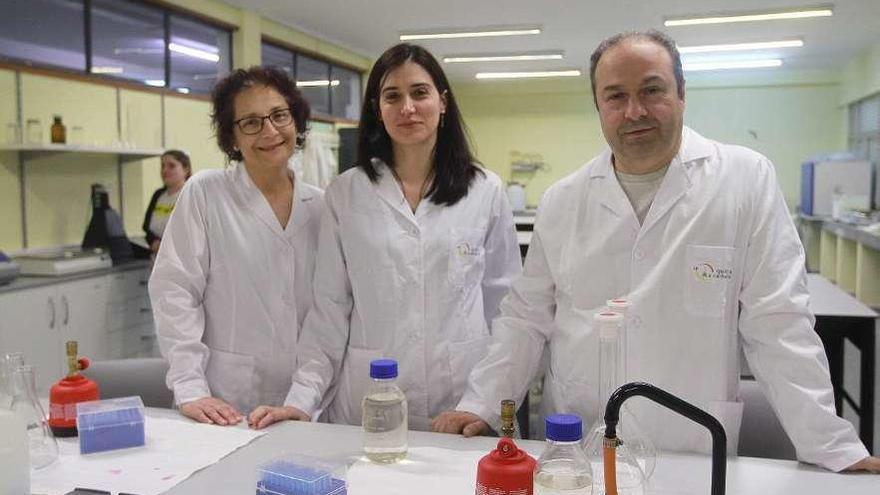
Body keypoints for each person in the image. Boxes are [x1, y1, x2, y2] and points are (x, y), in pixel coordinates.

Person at [432, 30, 880, 473]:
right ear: (598, 107)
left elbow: (778, 323)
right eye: (615, 96)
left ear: (682, 94)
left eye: (652, 90)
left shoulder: (744, 180)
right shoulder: (563, 200)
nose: (635, 111)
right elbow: (525, 319)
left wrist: (832, 445)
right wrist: (483, 403)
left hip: (690, 435)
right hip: (581, 440)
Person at [247, 43, 521, 430]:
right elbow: (329, 310)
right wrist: (301, 400)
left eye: (420, 93)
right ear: (378, 110)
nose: (407, 107)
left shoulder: (485, 190)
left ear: (442, 102)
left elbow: (506, 310)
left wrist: (488, 403)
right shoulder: (346, 193)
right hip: (370, 401)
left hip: (463, 399)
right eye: (392, 96)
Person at [149, 66, 323, 426]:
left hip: (307, 399)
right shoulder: (206, 193)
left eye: (279, 115)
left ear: (296, 119)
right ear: (232, 137)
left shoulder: (322, 206)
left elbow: (331, 311)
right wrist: (189, 386)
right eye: (251, 122)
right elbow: (175, 291)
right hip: (225, 400)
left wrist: (307, 395)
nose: (270, 131)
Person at [143, 150, 192, 255]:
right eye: (163, 166)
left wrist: (167, 246)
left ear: (186, 169)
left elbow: (192, 234)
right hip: (156, 261)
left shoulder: (191, 196)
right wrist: (154, 242)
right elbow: (146, 227)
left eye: (171, 166)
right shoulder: (158, 194)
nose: (165, 170)